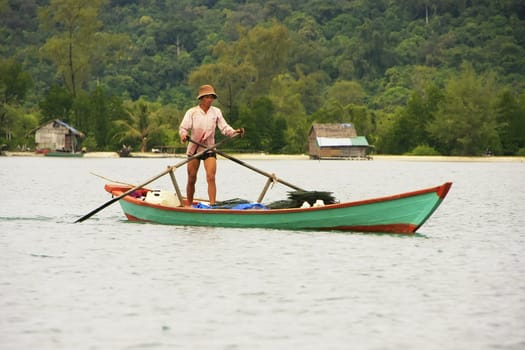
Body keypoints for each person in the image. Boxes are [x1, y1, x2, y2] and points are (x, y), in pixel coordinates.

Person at [179, 84, 244, 206]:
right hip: (194, 149)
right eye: (207, 97)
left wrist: (234, 132)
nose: (210, 100)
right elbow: (183, 128)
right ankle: (189, 205)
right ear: (202, 98)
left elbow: (224, 128)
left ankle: (213, 205)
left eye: (211, 97)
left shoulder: (216, 112)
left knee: (211, 177)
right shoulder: (192, 112)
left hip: (209, 148)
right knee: (192, 178)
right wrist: (183, 135)